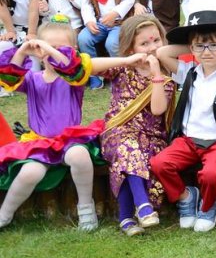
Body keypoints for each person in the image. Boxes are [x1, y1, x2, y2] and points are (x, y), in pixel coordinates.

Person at [0, 19, 129, 230]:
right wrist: (23, 49)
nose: (53, 53)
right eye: (47, 46)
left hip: (70, 139)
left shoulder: (74, 79)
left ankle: (86, 207)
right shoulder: (32, 79)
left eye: (61, 48)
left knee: (79, 156)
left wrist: (50, 49)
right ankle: (4, 214)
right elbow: (8, 78)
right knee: (30, 172)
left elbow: (71, 66)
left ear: (74, 50)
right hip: (40, 142)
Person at [151, 10, 216, 233]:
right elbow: (162, 52)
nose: (207, 52)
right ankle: (186, 197)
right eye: (200, 46)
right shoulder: (189, 72)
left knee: (211, 174)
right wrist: (195, 47)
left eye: (214, 45)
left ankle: (208, 205)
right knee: (159, 163)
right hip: (187, 141)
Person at [99, 15, 176, 236]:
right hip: (117, 131)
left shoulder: (166, 78)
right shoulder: (122, 69)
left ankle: (126, 218)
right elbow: (90, 66)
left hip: (152, 137)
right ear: (131, 48)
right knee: (128, 146)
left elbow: (158, 110)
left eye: (156, 40)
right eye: (144, 43)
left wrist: (156, 74)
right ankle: (143, 206)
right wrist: (126, 61)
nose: (152, 48)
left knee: (134, 156)